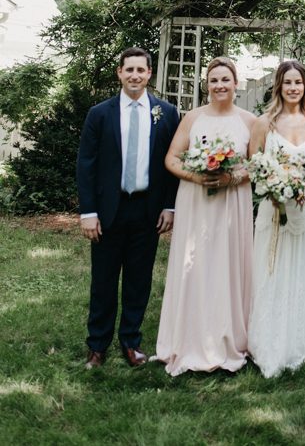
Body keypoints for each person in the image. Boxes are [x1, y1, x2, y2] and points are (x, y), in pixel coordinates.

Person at [77, 47, 179, 369]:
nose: (135, 75)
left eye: (141, 70)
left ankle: (131, 342)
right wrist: (88, 212)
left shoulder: (167, 113)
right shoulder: (100, 114)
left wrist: (169, 206)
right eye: (129, 69)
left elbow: (171, 165)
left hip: (147, 211)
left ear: (150, 74)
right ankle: (97, 345)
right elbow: (86, 165)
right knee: (103, 280)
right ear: (119, 73)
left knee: (139, 280)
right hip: (110, 210)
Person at [155, 56, 255, 375]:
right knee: (195, 264)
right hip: (196, 200)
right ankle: (189, 337)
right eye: (214, 80)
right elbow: (171, 159)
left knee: (228, 263)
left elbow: (257, 164)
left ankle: (230, 337)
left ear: (236, 84)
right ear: (206, 85)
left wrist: (232, 176)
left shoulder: (250, 121)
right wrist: (198, 176)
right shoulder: (192, 118)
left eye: (225, 79)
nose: (219, 85)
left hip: (233, 202)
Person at [248, 60, 305, 377]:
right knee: (273, 270)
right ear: (279, 86)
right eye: (287, 82)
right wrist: (272, 189)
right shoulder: (264, 123)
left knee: (304, 269)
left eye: (298, 83)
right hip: (275, 210)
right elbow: (254, 166)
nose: (292, 88)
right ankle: (270, 337)